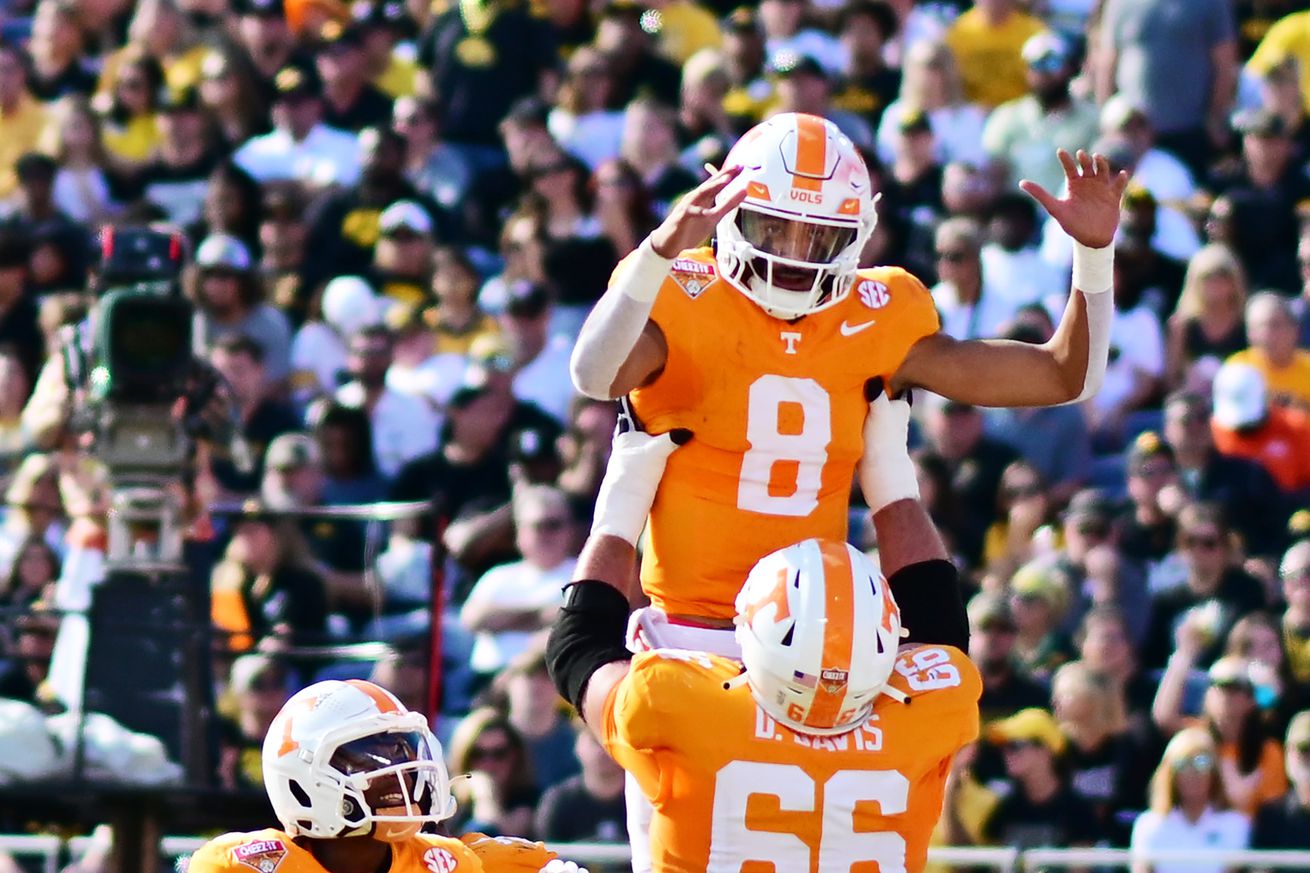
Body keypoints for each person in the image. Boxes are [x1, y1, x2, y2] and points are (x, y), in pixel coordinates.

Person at [571, 112, 1126, 634]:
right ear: (730, 215)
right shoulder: (679, 286)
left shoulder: (881, 314)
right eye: (773, 229)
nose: (791, 257)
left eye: (817, 236)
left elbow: (1065, 377)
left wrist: (1093, 252)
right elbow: (595, 377)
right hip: (688, 626)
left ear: (859, 234)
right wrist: (657, 253)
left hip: (812, 629)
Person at [546, 388, 980, 871]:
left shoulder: (682, 705)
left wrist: (627, 488)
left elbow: (577, 647)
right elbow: (939, 626)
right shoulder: (929, 709)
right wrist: (888, 469)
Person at [187, 678, 581, 873]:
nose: (401, 773)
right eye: (370, 758)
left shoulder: (445, 861)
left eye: (402, 751)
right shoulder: (243, 865)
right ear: (302, 779)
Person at [1129, 727, 1250, 873]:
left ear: (1214, 772)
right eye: (1182, 764)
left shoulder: (1235, 824)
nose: (1193, 773)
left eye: (1202, 762)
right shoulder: (1149, 825)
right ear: (1169, 774)